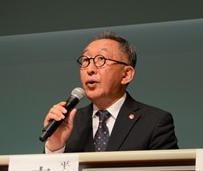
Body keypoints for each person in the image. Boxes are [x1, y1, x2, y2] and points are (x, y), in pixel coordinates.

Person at [43, 31, 179, 153]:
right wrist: (56, 143)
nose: (90, 69)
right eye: (85, 60)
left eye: (101, 60)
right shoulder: (69, 122)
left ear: (126, 75)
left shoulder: (154, 122)